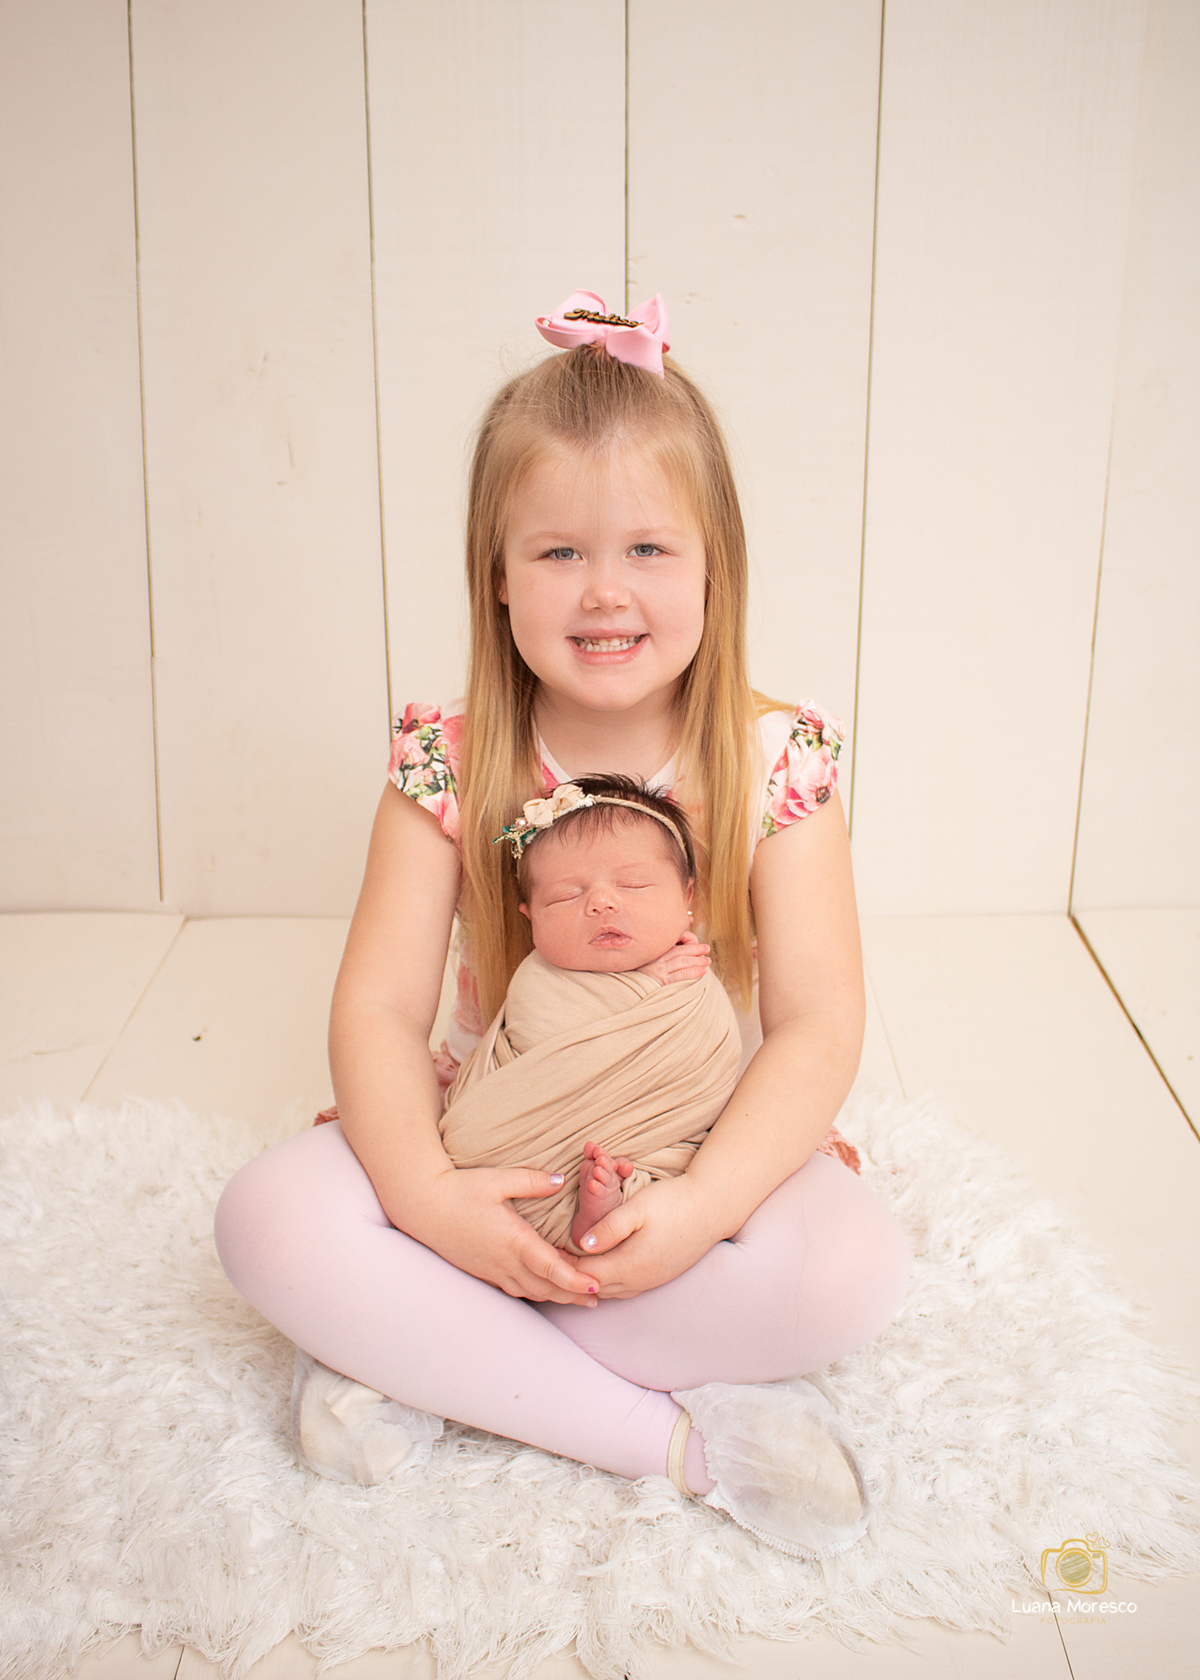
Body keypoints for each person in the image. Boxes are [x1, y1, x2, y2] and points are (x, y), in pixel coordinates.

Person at [214, 290, 911, 1558]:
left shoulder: (772, 759)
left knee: (852, 1266)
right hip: (499, 1134)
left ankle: (429, 1356)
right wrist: (426, 1197)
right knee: (265, 1220)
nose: (604, 593)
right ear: (495, 572)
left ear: (716, 568)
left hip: (679, 1138)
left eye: (649, 550)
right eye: (557, 554)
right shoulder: (452, 758)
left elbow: (817, 1022)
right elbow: (377, 1008)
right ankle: (679, 1441)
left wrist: (700, 1212)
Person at [442, 774, 741, 1256]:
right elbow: (544, 1031)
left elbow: (707, 1071)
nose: (602, 902)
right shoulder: (537, 981)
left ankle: (608, 1206)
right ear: (530, 916)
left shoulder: (694, 985)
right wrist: (647, 983)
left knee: (680, 1165)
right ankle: (581, 1216)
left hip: (656, 1143)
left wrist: (658, 983)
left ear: (688, 898)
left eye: (634, 884)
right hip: (516, 1147)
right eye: (565, 896)